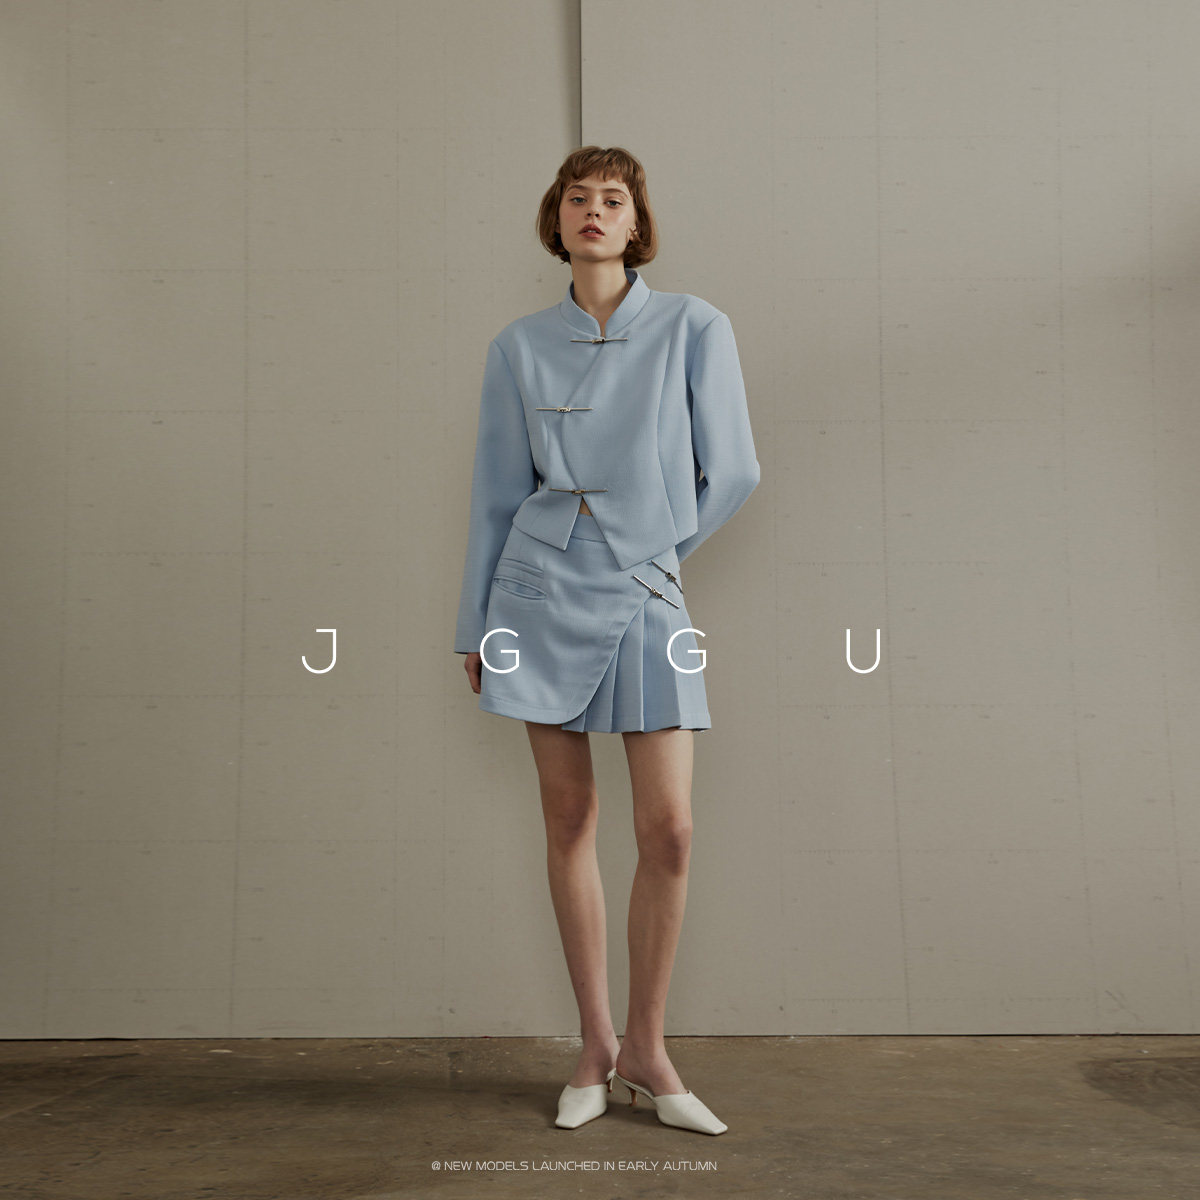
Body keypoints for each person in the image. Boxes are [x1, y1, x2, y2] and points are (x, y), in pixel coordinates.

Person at [453, 146, 760, 1135]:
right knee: (570, 819)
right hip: (534, 595)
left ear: (637, 223)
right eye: (577, 198)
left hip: (645, 592)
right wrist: (474, 626)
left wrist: (652, 555)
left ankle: (649, 1050)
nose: (594, 210)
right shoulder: (517, 346)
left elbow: (736, 472)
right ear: (557, 219)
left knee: (670, 830)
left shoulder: (693, 326)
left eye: (613, 199)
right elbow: (496, 495)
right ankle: (593, 1048)